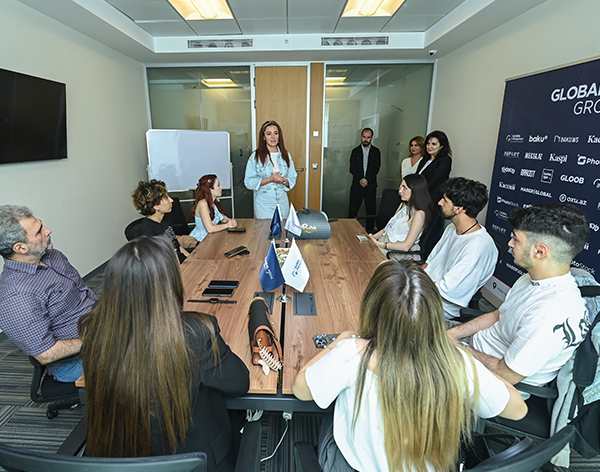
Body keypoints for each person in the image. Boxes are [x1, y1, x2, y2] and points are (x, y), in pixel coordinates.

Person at [293, 260, 527, 472]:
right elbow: (518, 410)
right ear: (433, 314)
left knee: (332, 405)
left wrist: (337, 343)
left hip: (354, 467)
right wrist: (464, 359)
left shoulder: (354, 353)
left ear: (371, 308)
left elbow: (301, 390)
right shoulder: (457, 362)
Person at [79, 236, 250, 470]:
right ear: (170, 282)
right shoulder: (196, 332)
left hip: (119, 461)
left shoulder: (96, 331)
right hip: (194, 462)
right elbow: (239, 383)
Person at [448, 204, 589, 387]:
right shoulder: (530, 278)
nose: (510, 243)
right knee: (415, 330)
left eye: (516, 239)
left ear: (539, 251)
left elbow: (506, 375)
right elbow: (498, 315)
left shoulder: (550, 312)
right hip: (475, 348)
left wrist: (460, 348)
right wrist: (452, 335)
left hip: (490, 381)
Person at [0, 205, 97, 382]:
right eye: (39, 231)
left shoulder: (53, 256)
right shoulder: (16, 297)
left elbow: (84, 295)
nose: (48, 230)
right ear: (20, 248)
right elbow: (46, 354)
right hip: (75, 359)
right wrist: (100, 337)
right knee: (143, 361)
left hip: (99, 322)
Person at [423, 177, 498, 320]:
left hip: (441, 305)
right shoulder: (452, 228)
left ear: (459, 209)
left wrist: (412, 287)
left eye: (445, 200)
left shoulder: (477, 247)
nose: (439, 202)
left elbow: (446, 291)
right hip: (425, 288)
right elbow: (429, 263)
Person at [368, 173, 433, 260]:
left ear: (415, 190)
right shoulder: (403, 205)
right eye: (401, 187)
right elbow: (387, 228)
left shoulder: (419, 214)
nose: (400, 191)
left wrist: (379, 244)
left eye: (404, 188)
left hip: (394, 251)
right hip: (384, 242)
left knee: (365, 256)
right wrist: (372, 238)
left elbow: (406, 246)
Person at [244, 120, 297, 219]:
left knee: (283, 227)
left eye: (276, 133)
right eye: (269, 134)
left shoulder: (286, 155)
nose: (273, 137)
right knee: (265, 228)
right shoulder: (255, 156)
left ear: (279, 136)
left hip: (282, 201)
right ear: (264, 137)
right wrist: (270, 179)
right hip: (264, 203)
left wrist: (283, 180)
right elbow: (248, 181)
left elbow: (292, 177)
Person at [130, 179, 192, 260]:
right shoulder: (146, 233)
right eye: (166, 198)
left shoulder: (164, 221)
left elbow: (178, 247)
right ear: (156, 206)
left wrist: (192, 260)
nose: (171, 200)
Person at [348, 128, 381, 233]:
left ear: (372, 138)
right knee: (353, 209)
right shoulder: (355, 151)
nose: (365, 139)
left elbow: (376, 168)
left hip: (370, 185)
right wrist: (361, 179)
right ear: (361, 137)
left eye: (368, 137)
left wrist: (367, 180)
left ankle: (370, 231)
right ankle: (350, 230)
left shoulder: (376, 152)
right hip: (357, 185)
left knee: (370, 209)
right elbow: (352, 168)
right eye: (364, 137)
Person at [190, 174, 237, 243]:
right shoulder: (203, 204)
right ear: (210, 190)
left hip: (210, 239)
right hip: (200, 242)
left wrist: (230, 221)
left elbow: (222, 218)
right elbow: (210, 229)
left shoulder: (212, 203)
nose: (221, 187)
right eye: (218, 185)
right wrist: (227, 225)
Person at [416, 130, 452, 204]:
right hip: (419, 196)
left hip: (432, 198)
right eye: (428, 143)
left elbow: (434, 181)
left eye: (434, 144)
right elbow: (416, 177)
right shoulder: (424, 160)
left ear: (441, 146)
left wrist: (417, 190)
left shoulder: (445, 160)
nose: (429, 146)